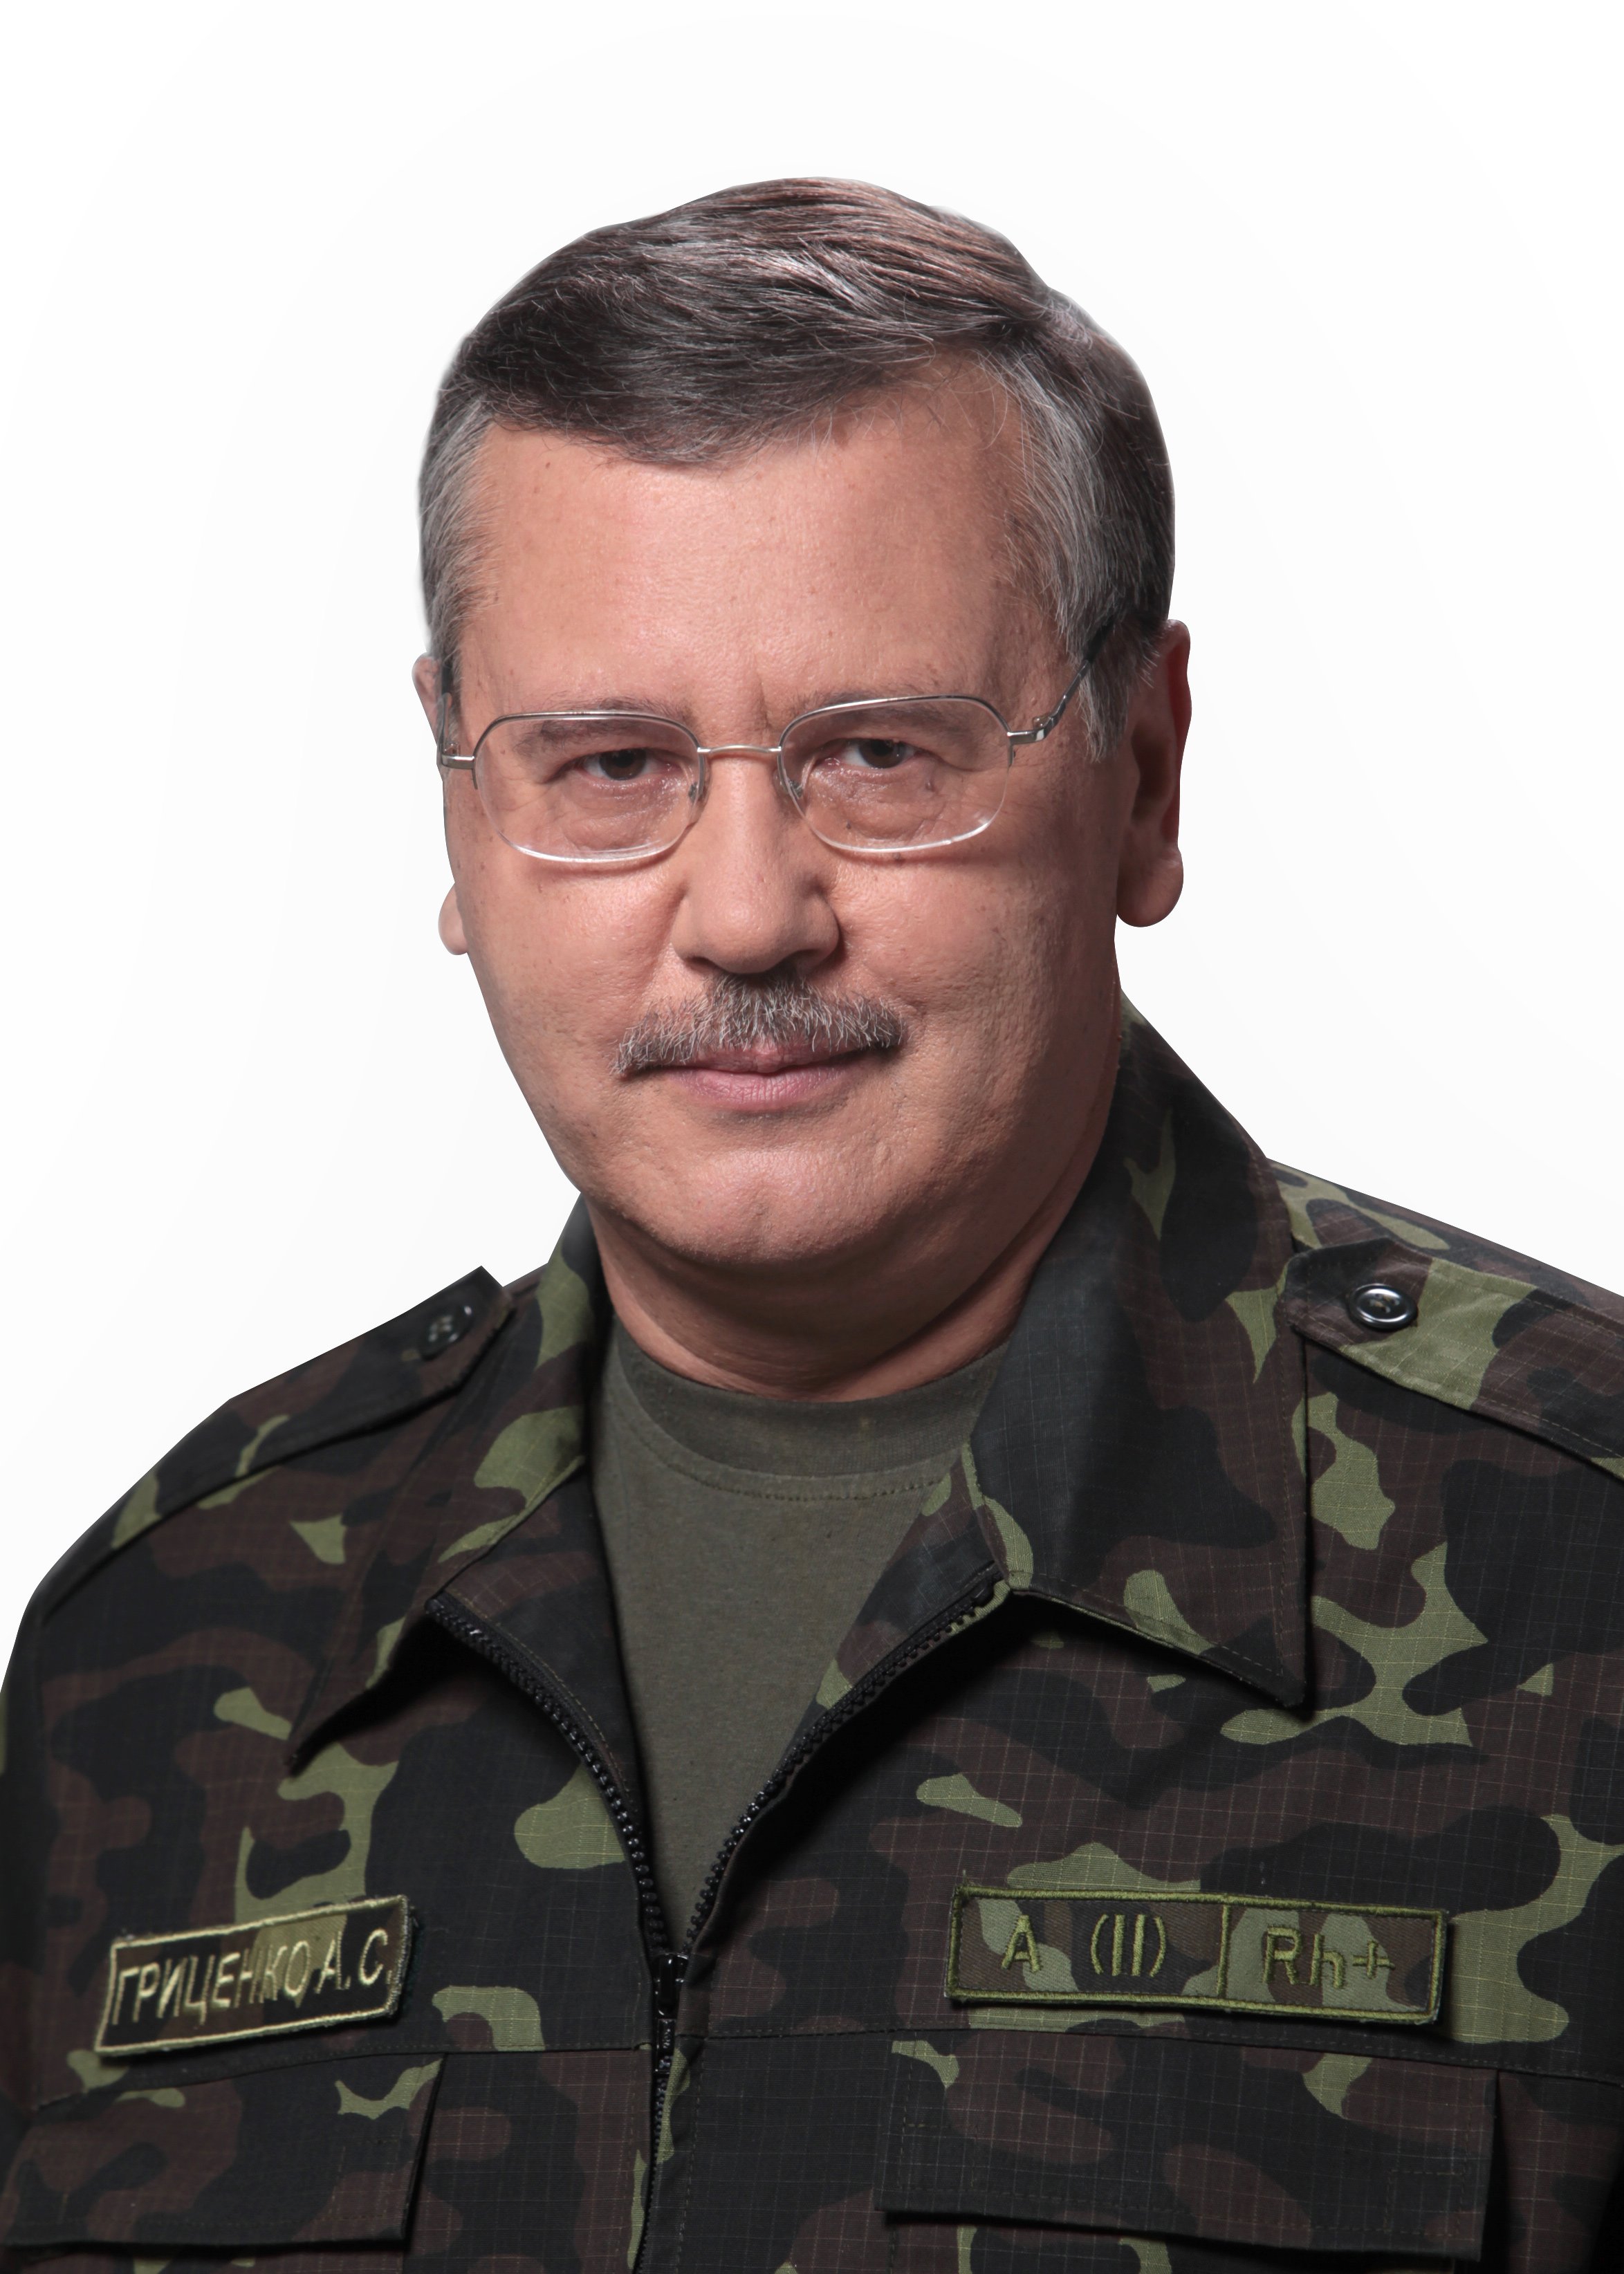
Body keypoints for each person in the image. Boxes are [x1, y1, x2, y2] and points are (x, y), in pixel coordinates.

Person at [1, 178, 1621, 2274]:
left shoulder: (1578, 1564)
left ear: (1141, 776)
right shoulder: (157, 1648)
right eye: (608, 766)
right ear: (459, 810)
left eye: (878, 755)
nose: (748, 912)